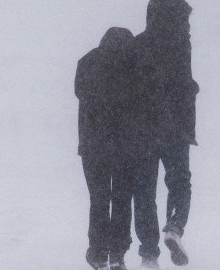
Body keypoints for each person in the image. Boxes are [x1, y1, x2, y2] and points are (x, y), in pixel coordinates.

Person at [132, 0, 199, 268]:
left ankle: (149, 252)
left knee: (144, 190)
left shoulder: (138, 45)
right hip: (175, 129)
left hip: (143, 130)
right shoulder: (181, 45)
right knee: (180, 181)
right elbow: (182, 86)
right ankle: (174, 227)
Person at [76, 26, 151, 270]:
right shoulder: (134, 67)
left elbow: (80, 93)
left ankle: (97, 252)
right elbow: (143, 101)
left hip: (93, 147)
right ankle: (117, 253)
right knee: (121, 200)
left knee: (98, 199)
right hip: (125, 148)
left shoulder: (88, 63)